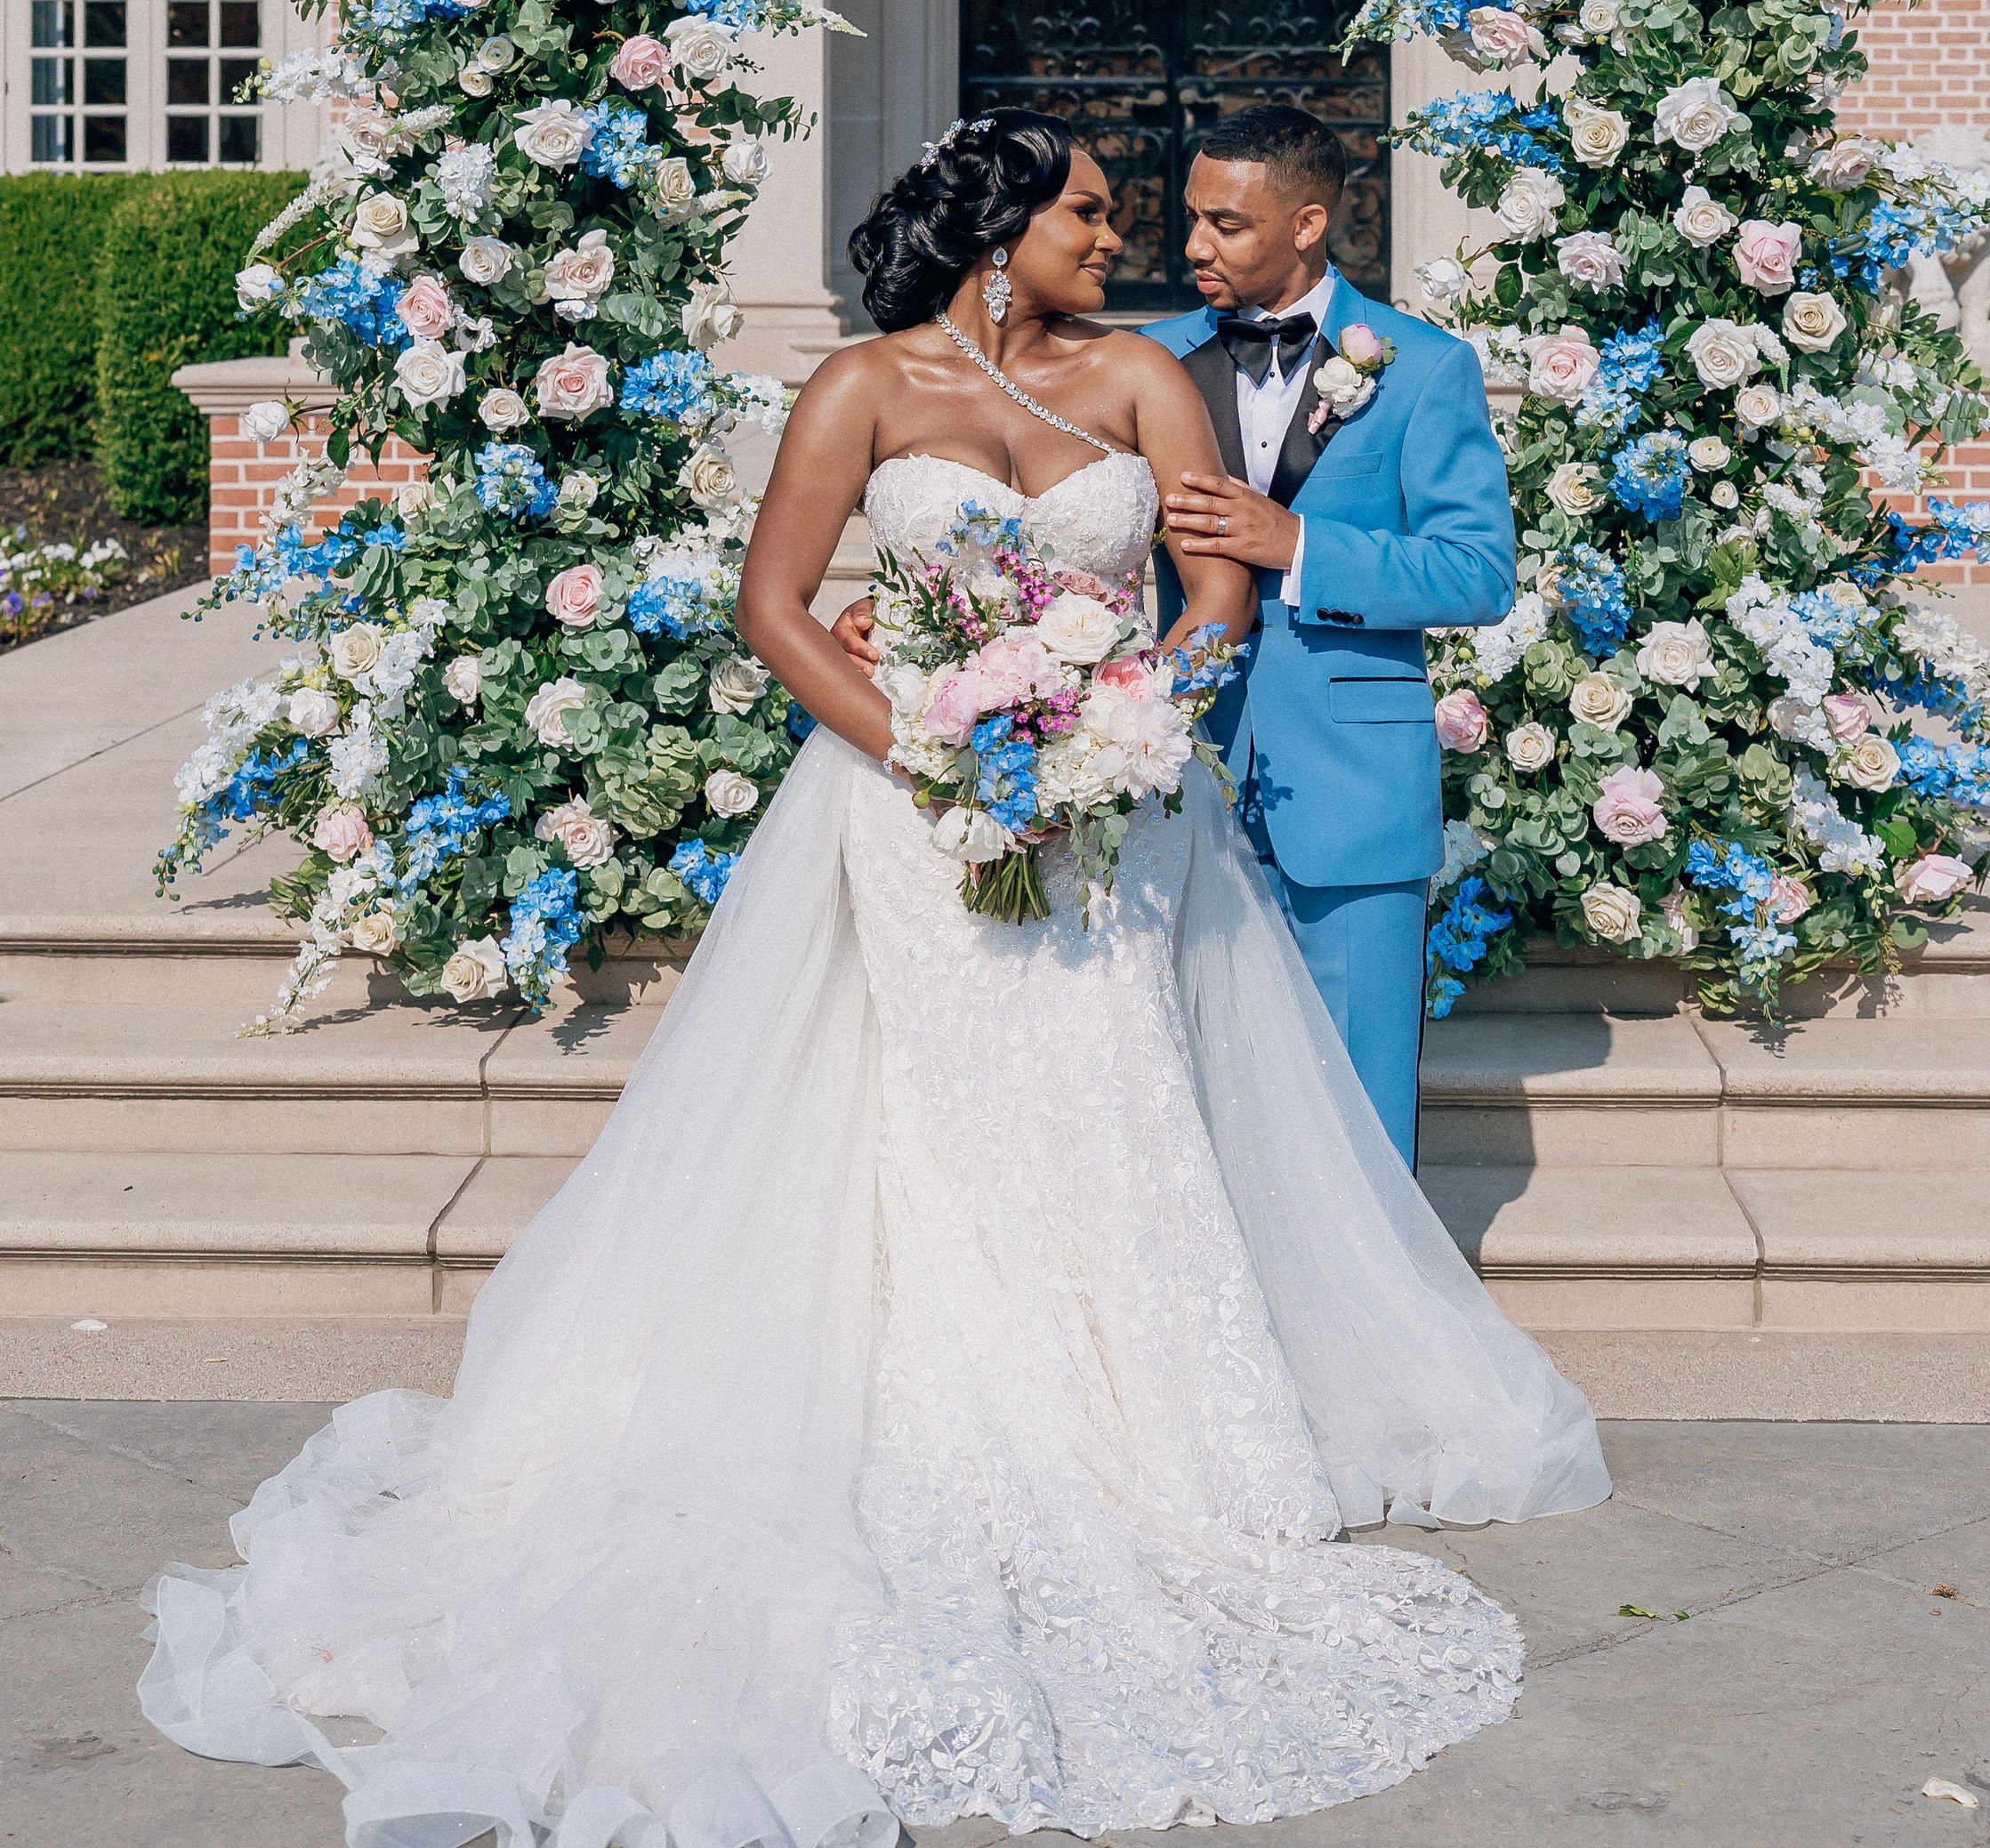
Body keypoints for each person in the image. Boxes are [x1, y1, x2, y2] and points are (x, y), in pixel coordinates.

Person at [140, 110, 1605, 1848]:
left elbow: (1208, 583)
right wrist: (921, 748)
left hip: (1107, 821)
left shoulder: (1143, 376)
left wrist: (1128, 715)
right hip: (908, 824)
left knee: (1104, 1105)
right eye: (1086, 212)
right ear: (1001, 234)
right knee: (914, 1124)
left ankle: (1134, 1430)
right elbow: (776, 605)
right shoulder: (855, 392)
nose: (1115, 237)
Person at [1151, 105, 1515, 1166]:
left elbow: (1477, 572)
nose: (1191, 247)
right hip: (1175, 771)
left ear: (1306, 223)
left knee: (1356, 1109)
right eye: (1189, 219)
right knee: (1188, 1094)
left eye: (1224, 224)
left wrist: (1299, 545)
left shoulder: (1423, 366)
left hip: (1355, 786)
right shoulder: (1147, 363)